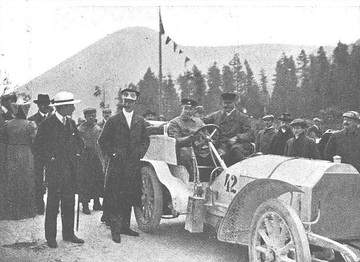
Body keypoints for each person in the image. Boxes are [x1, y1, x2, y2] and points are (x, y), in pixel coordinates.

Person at [33, 91, 84, 248]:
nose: (74, 109)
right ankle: (51, 237)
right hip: (55, 172)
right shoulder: (46, 124)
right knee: (53, 205)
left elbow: (79, 143)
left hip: (70, 171)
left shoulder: (71, 123)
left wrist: (77, 154)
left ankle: (68, 234)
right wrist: (50, 158)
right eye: (71, 106)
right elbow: (37, 147)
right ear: (63, 107)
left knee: (69, 203)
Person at [98, 88, 150, 243]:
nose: (128, 104)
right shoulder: (113, 120)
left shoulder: (139, 121)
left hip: (132, 164)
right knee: (115, 197)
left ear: (135, 102)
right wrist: (113, 154)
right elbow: (103, 141)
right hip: (117, 165)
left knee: (129, 195)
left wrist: (139, 153)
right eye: (125, 101)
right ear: (122, 102)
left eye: (131, 101)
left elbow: (145, 140)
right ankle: (115, 230)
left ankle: (125, 227)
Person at [3, 98, 37, 220]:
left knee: (12, 181)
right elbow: (34, 139)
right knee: (25, 180)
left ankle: (12, 211)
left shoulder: (7, 124)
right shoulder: (30, 125)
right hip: (25, 153)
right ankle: (26, 210)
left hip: (10, 153)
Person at [203, 92, 255, 166]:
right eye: (225, 103)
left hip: (236, 146)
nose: (226, 105)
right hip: (219, 145)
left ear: (234, 103)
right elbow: (202, 121)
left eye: (229, 103)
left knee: (236, 152)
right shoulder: (216, 115)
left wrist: (237, 137)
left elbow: (250, 134)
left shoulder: (242, 117)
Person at [168, 99, 205, 179]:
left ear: (194, 110)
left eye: (190, 109)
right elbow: (175, 140)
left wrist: (208, 138)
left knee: (217, 151)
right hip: (182, 149)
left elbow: (206, 134)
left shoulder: (199, 122)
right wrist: (189, 138)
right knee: (185, 152)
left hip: (199, 148)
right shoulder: (175, 122)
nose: (188, 111)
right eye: (186, 108)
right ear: (182, 109)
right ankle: (192, 178)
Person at [28, 94, 52, 215]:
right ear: (38, 105)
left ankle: (52, 205)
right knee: (38, 179)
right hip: (38, 153)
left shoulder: (54, 118)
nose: (44, 106)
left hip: (52, 154)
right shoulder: (32, 119)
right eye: (42, 104)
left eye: (46, 104)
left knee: (52, 178)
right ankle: (39, 204)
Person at [78, 108, 104, 214]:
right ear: (85, 117)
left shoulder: (98, 128)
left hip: (96, 157)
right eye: (89, 116)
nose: (91, 118)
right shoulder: (80, 129)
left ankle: (97, 202)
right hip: (84, 158)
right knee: (85, 181)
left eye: (93, 115)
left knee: (97, 179)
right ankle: (85, 204)